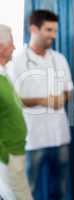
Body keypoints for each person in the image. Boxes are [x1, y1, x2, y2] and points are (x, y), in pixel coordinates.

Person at [8, 10, 73, 199]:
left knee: (59, 191)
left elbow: (68, 90)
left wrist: (64, 98)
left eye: (55, 31)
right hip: (32, 139)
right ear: (33, 29)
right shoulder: (17, 61)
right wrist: (41, 101)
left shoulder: (59, 59)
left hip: (59, 138)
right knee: (29, 189)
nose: (53, 35)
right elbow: (12, 101)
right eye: (49, 30)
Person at [0, 24, 33, 200]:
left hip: (16, 152)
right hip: (7, 156)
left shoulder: (4, 74)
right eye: (11, 43)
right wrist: (5, 155)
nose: (14, 47)